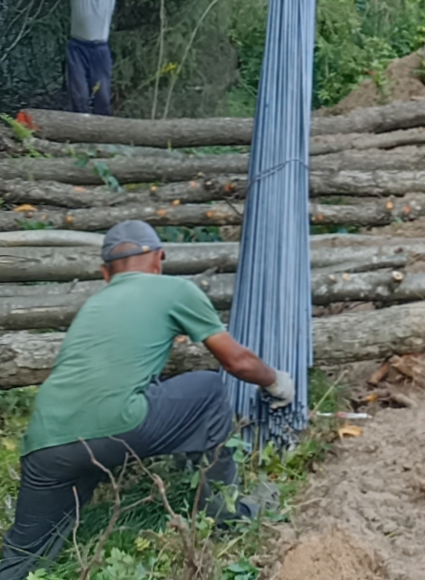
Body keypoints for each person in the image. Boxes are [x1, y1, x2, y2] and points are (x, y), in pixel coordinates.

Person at [0, 221, 294, 579]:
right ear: (159, 259)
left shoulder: (93, 306)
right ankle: (224, 517)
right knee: (209, 390)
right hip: (117, 426)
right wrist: (277, 382)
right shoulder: (173, 289)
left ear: (105, 273)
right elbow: (237, 362)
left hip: (44, 443)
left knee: (23, 555)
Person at [64, 0, 120, 115]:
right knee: (79, 95)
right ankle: (80, 129)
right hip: (78, 48)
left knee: (102, 96)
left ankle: (102, 130)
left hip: (100, 49)